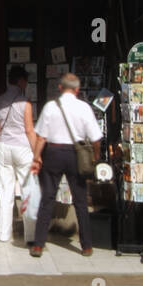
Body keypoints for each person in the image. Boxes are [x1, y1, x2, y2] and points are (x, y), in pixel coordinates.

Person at [29, 72, 102, 258]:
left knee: (48, 199)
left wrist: (36, 158)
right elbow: (96, 138)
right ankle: (86, 246)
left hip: (53, 152)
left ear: (60, 88)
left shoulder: (50, 107)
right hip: (75, 155)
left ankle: (38, 244)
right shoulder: (84, 108)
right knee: (80, 201)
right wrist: (95, 156)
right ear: (77, 90)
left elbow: (41, 137)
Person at [0, 65, 37, 243]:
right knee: (27, 191)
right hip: (23, 149)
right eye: (25, 80)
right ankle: (30, 236)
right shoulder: (24, 103)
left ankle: (3, 234)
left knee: (5, 193)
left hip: (3, 147)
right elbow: (29, 130)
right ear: (21, 81)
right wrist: (37, 154)